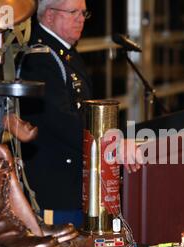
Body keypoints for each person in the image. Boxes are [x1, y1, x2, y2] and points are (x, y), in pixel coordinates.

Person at [19, 0, 140, 227]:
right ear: (49, 15)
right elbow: (61, 120)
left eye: (83, 12)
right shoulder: (39, 57)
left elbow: (85, 112)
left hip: (75, 180)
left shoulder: (65, 53)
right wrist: (110, 144)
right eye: (73, 12)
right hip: (56, 186)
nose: (81, 18)